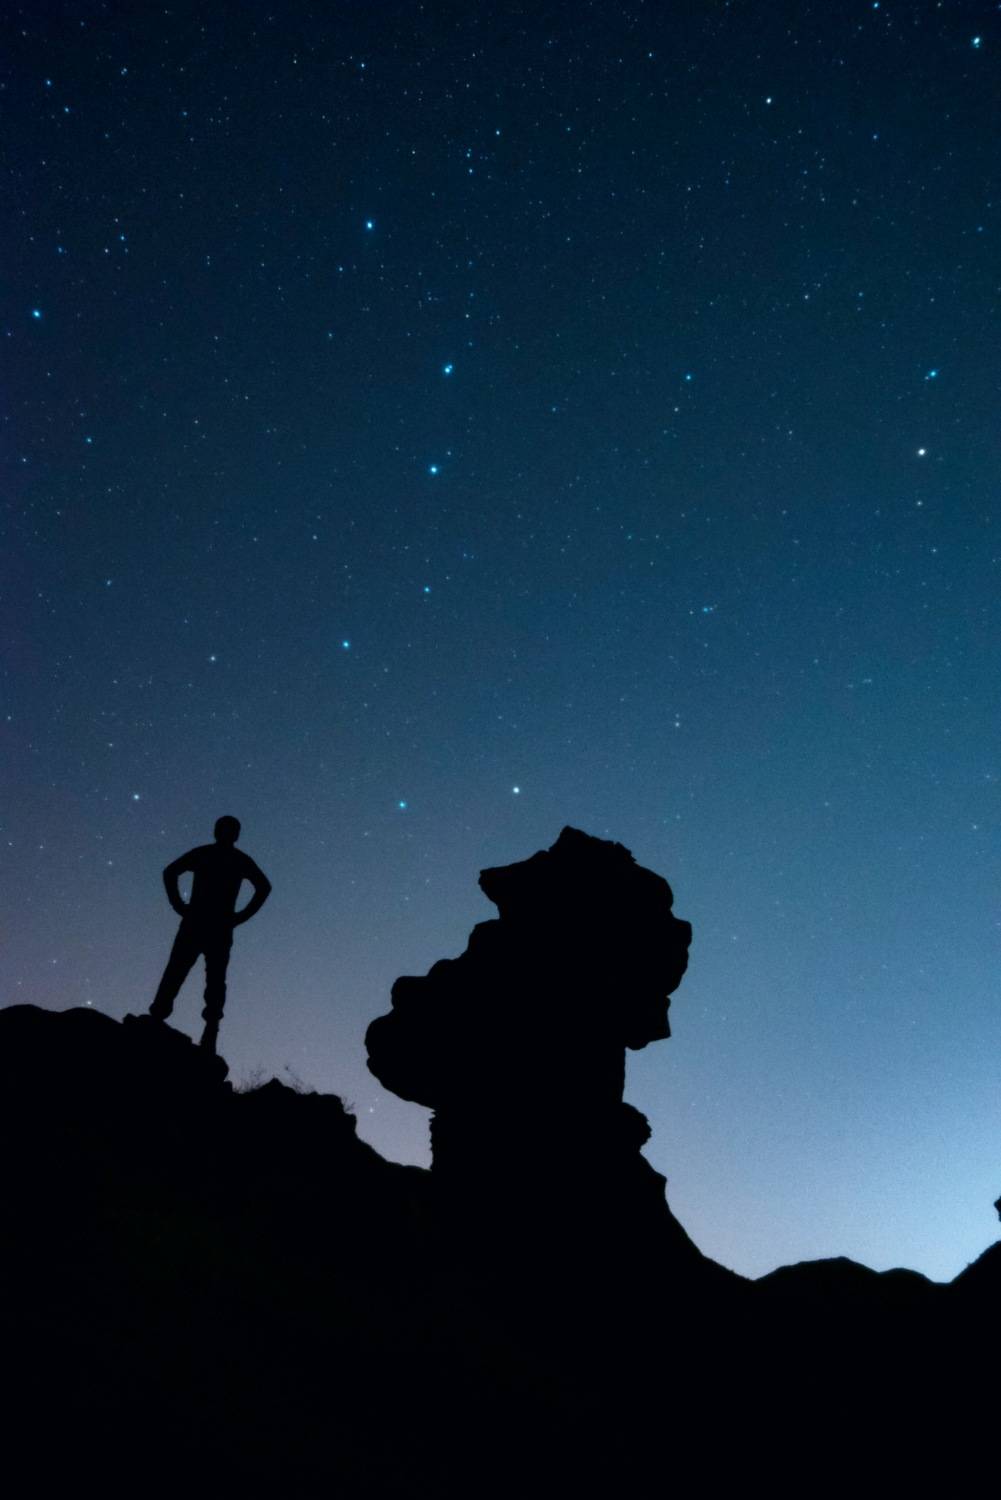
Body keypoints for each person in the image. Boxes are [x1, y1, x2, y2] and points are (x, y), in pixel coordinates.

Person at [149, 815, 271, 1051]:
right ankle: (195, 1024)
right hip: (209, 924)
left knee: (193, 974)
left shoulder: (212, 855)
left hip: (206, 924)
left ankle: (190, 1023)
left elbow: (264, 887)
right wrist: (239, 916)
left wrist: (240, 916)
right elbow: (170, 872)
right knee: (195, 974)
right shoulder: (232, 858)